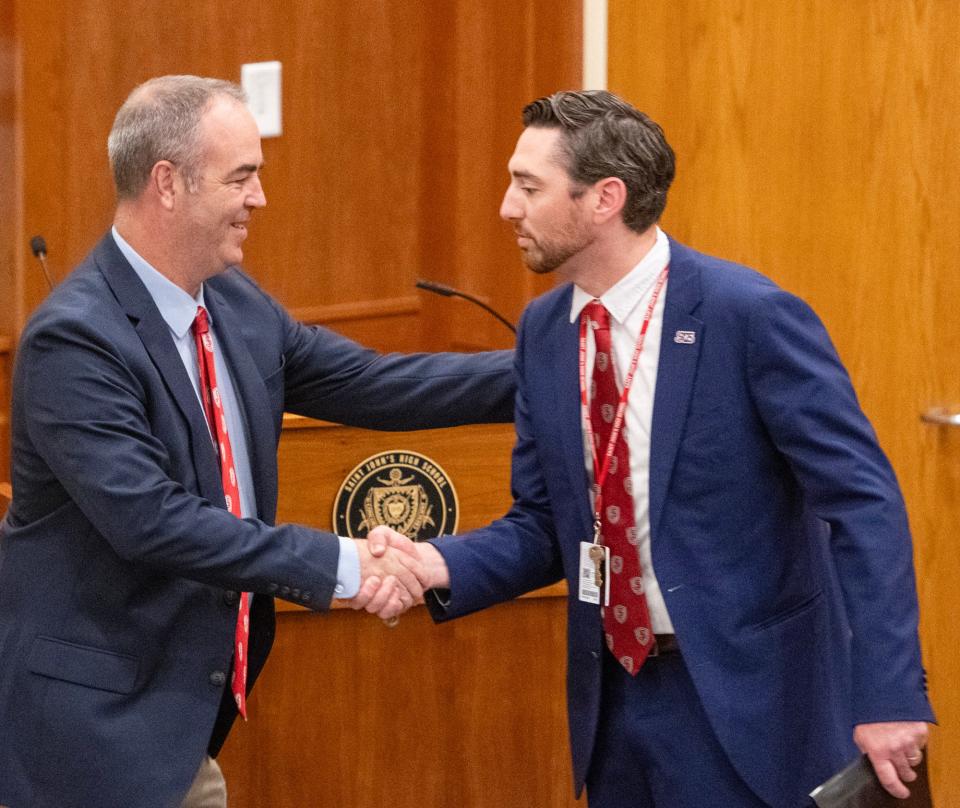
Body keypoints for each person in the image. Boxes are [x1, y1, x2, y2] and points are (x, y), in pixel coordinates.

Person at [361, 90, 934, 807]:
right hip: (616, 706)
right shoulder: (545, 332)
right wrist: (437, 562)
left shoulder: (746, 315)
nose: (507, 207)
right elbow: (544, 523)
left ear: (604, 198)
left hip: (748, 700)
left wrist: (888, 694)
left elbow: (863, 503)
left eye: (528, 186)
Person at [0, 75, 514, 808]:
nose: (260, 199)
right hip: (87, 740)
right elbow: (155, 522)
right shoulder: (76, 340)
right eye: (242, 177)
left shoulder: (234, 303)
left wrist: (550, 367)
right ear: (168, 183)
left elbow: (376, 385)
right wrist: (345, 563)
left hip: (181, 725)